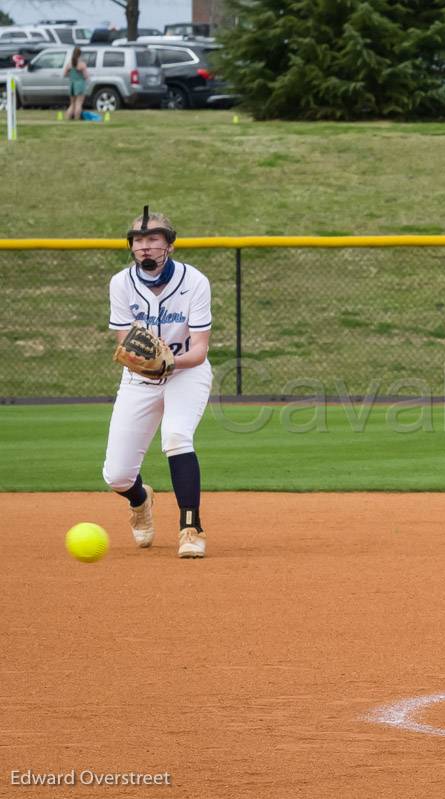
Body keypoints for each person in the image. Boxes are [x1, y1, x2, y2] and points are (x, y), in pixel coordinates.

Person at [103, 208, 214, 559]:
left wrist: (169, 363)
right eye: (138, 240)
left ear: (169, 245)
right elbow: (125, 344)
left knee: (177, 436)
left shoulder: (194, 281)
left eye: (153, 239)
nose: (145, 247)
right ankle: (141, 499)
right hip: (139, 380)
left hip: (186, 373)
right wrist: (140, 362)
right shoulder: (121, 283)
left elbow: (199, 350)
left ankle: (191, 528)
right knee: (117, 476)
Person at [62, 46, 88, 121]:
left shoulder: (69, 64)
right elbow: (86, 76)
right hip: (80, 85)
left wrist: (71, 75)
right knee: (79, 103)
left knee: (72, 104)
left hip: (72, 85)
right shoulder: (82, 64)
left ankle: (67, 118)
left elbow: (64, 74)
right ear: (80, 54)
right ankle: (77, 119)